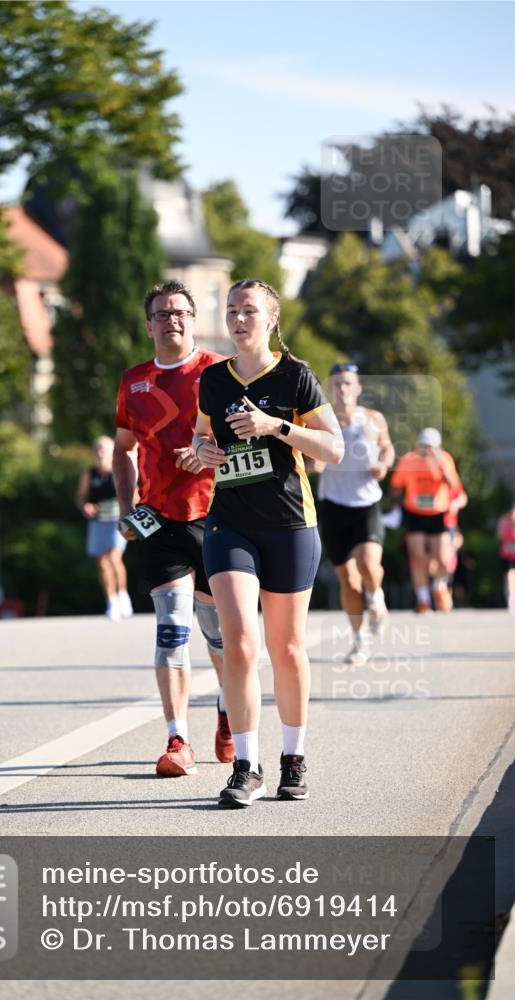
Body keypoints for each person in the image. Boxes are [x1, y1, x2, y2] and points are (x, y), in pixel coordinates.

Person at [193, 278, 344, 808]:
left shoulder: (296, 377)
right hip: (229, 522)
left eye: (248, 311)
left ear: (271, 319)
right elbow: (202, 434)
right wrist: (202, 451)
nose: (238, 319)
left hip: (288, 524)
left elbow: (334, 449)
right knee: (238, 643)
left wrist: (275, 426)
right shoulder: (212, 380)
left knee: (287, 647)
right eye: (231, 310)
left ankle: (293, 758)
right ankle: (245, 766)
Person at [113, 280, 234, 777]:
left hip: (219, 517)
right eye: (162, 314)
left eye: (180, 312)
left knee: (219, 634)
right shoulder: (134, 381)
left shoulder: (218, 373)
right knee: (171, 629)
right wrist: (127, 508)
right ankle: (177, 738)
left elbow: (245, 443)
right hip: (158, 519)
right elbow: (122, 449)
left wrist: (206, 454)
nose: (172, 321)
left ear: (194, 318)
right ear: (149, 325)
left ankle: (228, 710)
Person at [313, 362, 395, 665]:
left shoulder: (372, 419)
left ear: (357, 388)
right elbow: (307, 457)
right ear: (329, 389)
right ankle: (360, 639)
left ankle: (377, 598)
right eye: (336, 384)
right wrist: (313, 465)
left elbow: (387, 448)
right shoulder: (321, 421)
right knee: (348, 580)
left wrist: (383, 464)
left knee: (368, 564)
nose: (342, 389)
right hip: (333, 505)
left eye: (347, 384)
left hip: (366, 504)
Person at [390, 428, 463, 612]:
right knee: (416, 558)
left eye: (431, 447)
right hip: (415, 512)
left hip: (438, 513)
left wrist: (440, 463)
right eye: (424, 447)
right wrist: (396, 506)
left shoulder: (445, 459)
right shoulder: (408, 460)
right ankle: (423, 599)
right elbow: (395, 485)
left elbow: (454, 485)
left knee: (443, 558)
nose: (427, 451)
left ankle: (439, 586)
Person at [76, 435, 132, 621]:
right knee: (101, 562)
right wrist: (85, 506)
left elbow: (135, 494)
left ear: (111, 452)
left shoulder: (119, 471)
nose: (100, 453)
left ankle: (123, 595)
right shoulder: (89, 474)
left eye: (104, 449)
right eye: (97, 449)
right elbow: (81, 497)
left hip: (117, 521)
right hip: (98, 521)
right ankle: (111, 601)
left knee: (114, 557)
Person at [497, 502, 515, 612]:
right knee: (509, 577)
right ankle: (511, 599)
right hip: (507, 555)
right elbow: (500, 536)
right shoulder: (504, 522)